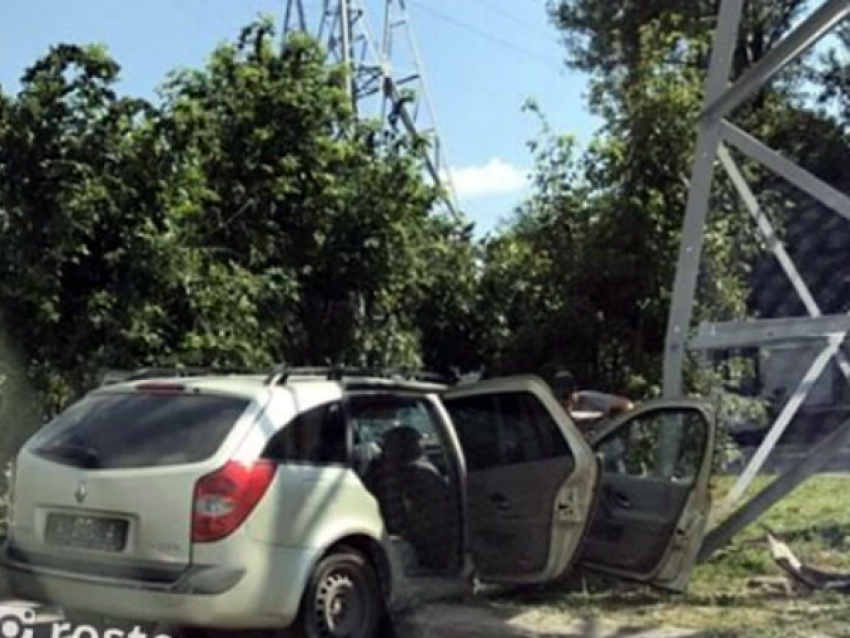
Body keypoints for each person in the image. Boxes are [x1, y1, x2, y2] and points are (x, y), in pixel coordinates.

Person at [548, 369, 633, 432]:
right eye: (558, 397)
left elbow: (626, 404)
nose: (563, 401)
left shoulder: (587, 398)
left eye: (565, 396)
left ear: (574, 391)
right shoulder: (554, 412)